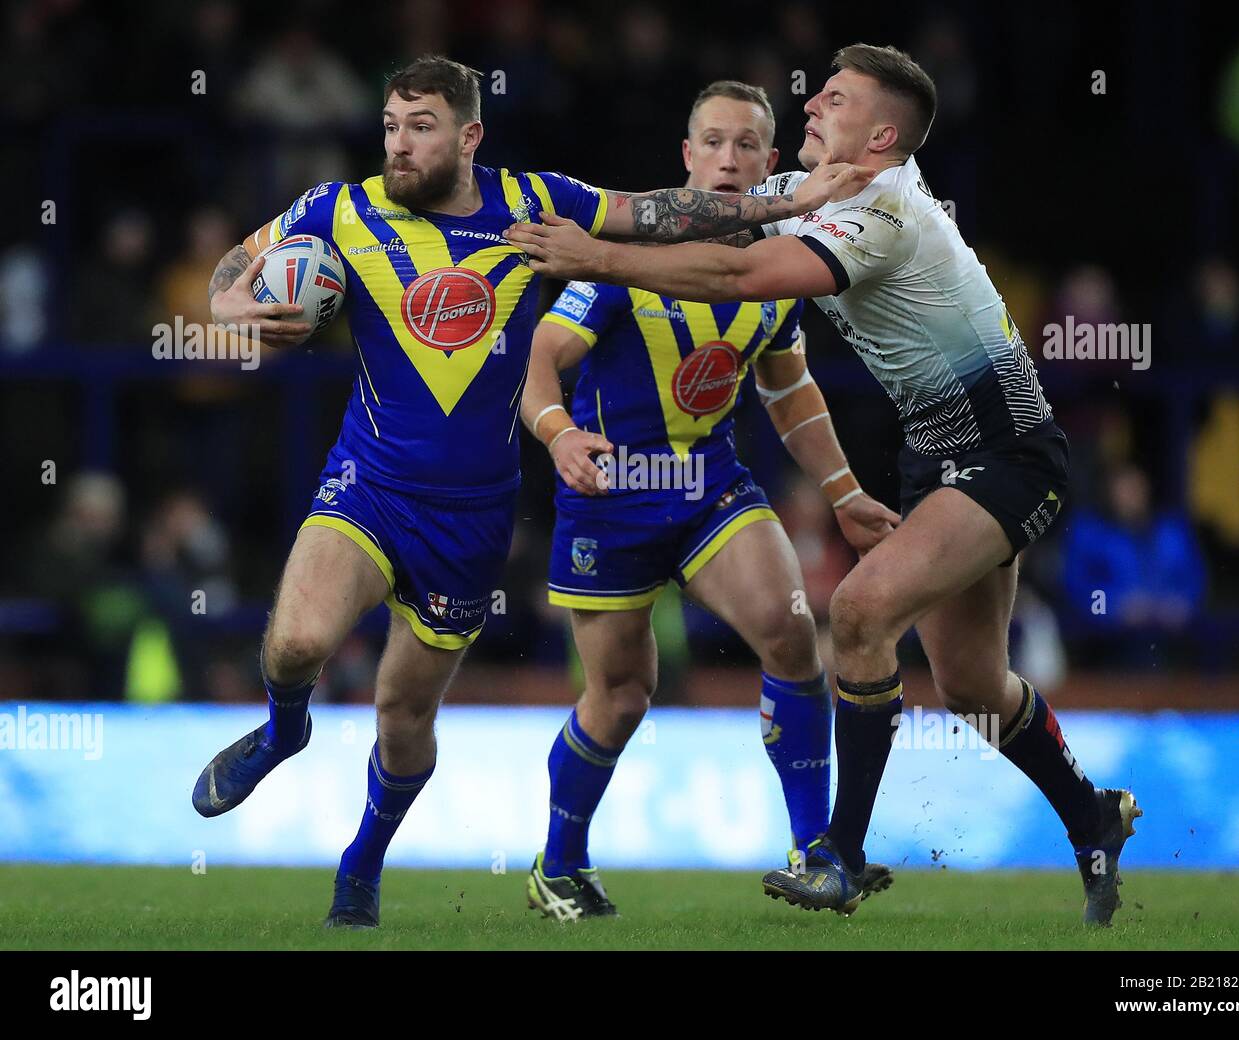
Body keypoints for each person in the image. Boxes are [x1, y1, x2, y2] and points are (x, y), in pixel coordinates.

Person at [193, 54, 870, 929]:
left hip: (473, 515)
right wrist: (240, 313)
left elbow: (656, 212)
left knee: (403, 717)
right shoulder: (336, 208)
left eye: (422, 127)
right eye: (392, 127)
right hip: (368, 484)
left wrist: (786, 203)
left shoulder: (533, 205)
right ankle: (285, 729)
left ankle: (362, 864)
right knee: (295, 644)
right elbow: (224, 280)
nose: (400, 144)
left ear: (470, 134)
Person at [505, 43, 1141, 926]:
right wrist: (604, 225)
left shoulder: (881, 211)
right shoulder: (815, 199)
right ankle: (1093, 815)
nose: (811, 108)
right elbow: (696, 219)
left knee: (855, 612)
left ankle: (837, 853)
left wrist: (599, 256)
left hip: (1006, 450)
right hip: (936, 458)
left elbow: (738, 273)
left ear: (879, 135)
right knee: (969, 686)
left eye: (831, 100)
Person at [520, 81, 900, 920]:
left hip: (706, 486)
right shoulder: (626, 262)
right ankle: (559, 863)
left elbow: (789, 390)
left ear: (770, 164)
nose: (729, 158)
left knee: (794, 631)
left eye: (747, 146)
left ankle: (815, 850)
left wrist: (842, 493)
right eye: (713, 143)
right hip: (612, 495)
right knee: (621, 697)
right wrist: (559, 437)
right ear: (687, 159)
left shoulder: (777, 268)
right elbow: (539, 362)